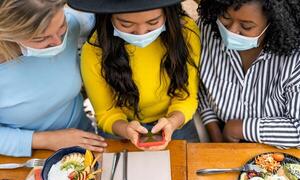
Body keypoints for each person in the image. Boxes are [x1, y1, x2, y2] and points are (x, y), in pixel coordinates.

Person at [67, 0, 201, 150]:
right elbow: (106, 113)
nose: (141, 32)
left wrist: (172, 122)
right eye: (126, 24)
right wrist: (126, 129)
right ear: (108, 16)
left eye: (153, 22)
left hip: (177, 120)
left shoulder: (185, 33)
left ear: (168, 13)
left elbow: (186, 96)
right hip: (120, 128)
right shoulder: (94, 50)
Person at [0, 0, 107, 157]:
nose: (58, 42)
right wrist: (47, 140)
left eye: (61, 26)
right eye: (40, 39)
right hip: (24, 157)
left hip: (86, 141)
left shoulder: (73, 23)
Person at [197, 0, 300, 148]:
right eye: (225, 17)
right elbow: (200, 85)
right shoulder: (207, 29)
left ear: (275, 22)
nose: (231, 31)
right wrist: (214, 133)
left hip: (277, 148)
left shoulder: (294, 58)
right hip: (219, 134)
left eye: (246, 26)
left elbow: (298, 130)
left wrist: (239, 129)